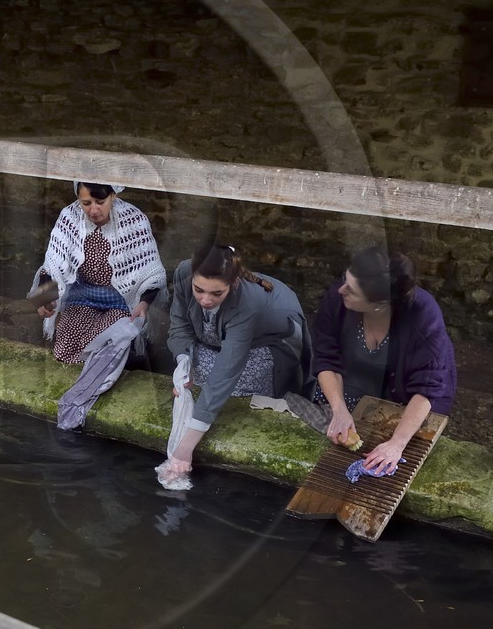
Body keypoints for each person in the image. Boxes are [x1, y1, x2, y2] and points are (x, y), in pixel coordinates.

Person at [158, 242, 308, 480]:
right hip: (218, 339)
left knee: (235, 395)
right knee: (194, 382)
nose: (205, 300)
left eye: (216, 293)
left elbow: (227, 371)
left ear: (233, 283)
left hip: (269, 342)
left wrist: (183, 452)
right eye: (199, 290)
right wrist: (184, 361)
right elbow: (180, 325)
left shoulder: (248, 302)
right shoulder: (184, 272)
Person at [309, 246, 457, 474]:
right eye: (344, 279)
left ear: (379, 305)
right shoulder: (337, 298)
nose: (341, 290)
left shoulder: (424, 318)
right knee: (336, 432)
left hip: (408, 396)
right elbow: (326, 357)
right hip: (354, 383)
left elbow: (426, 388)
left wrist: (396, 444)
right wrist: (339, 410)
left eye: (352, 290)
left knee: (397, 453)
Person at [30, 182, 165, 365]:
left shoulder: (134, 220)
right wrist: (45, 299)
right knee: (64, 349)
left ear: (113, 196)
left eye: (100, 202)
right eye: (86, 203)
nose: (93, 210)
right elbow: (53, 265)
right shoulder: (69, 217)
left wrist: (143, 304)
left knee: (95, 347)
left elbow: (152, 273)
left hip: (119, 303)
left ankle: (94, 383)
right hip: (82, 297)